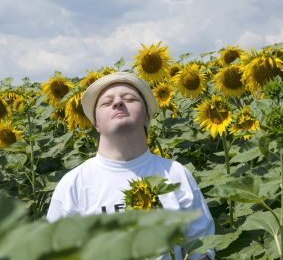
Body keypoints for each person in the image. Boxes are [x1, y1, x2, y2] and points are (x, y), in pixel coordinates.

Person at [46, 72, 215, 260]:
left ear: (147, 116)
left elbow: (202, 246)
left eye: (129, 98)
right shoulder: (74, 184)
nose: (118, 102)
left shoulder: (175, 174)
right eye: (106, 102)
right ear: (96, 123)